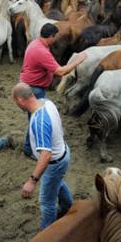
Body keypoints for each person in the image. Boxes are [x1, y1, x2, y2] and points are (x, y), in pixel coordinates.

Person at [12, 83, 73, 230]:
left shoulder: (39, 121)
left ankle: (47, 233)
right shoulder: (47, 102)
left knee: (47, 202)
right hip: (63, 153)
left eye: (15, 102)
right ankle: (67, 206)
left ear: (20, 100)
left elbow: (46, 155)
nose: (16, 105)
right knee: (56, 181)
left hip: (53, 162)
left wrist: (32, 181)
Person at [20, 23, 86, 156]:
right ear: (50, 36)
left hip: (30, 85)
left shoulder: (35, 43)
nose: (55, 39)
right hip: (35, 89)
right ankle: (29, 149)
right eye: (54, 37)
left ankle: (29, 147)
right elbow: (60, 71)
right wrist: (78, 60)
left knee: (34, 118)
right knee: (37, 119)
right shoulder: (42, 51)